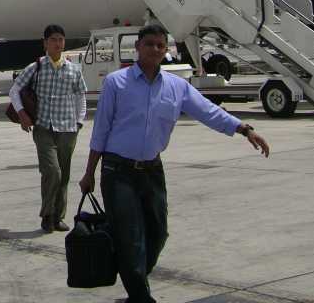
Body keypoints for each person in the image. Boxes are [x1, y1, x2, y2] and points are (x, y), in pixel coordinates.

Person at [79, 24, 271, 303]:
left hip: (151, 171)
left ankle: (135, 282)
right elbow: (100, 132)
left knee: (157, 233)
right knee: (131, 238)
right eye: (149, 44)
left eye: (161, 45)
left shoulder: (176, 86)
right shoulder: (116, 82)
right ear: (137, 48)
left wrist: (245, 129)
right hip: (117, 171)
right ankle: (141, 297)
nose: (155, 49)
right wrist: (89, 173)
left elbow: (208, 112)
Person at [9, 23, 87, 233]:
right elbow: (14, 90)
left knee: (64, 175)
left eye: (61, 39)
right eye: (53, 39)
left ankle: (58, 216)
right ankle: (47, 215)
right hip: (43, 127)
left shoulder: (73, 69)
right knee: (52, 171)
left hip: (68, 128)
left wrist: (79, 121)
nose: (58, 43)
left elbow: (81, 95)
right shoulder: (35, 67)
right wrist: (22, 114)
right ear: (45, 43)